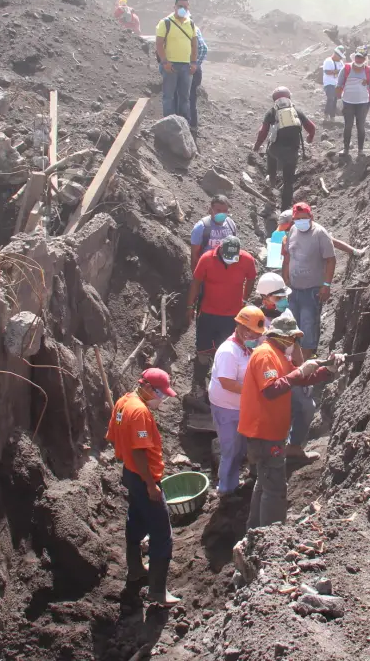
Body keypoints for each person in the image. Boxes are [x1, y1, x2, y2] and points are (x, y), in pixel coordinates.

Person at [237, 312, 341, 528]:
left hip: (269, 430)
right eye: (292, 339)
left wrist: (326, 371)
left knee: (264, 482)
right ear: (282, 337)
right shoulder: (266, 355)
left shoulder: (277, 354)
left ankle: (255, 529)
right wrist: (300, 371)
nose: (294, 343)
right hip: (263, 432)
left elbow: (297, 378)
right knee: (274, 488)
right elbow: (272, 390)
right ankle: (271, 536)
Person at [106, 367, 181, 606]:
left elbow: (114, 436)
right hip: (142, 476)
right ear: (147, 387)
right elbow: (139, 451)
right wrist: (151, 485)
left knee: (136, 518)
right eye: (161, 393)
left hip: (130, 472)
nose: (162, 398)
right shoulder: (138, 411)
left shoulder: (123, 402)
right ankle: (158, 591)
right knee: (162, 533)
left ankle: (136, 569)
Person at [282, 202, 337, 462]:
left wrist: (326, 284)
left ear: (311, 217)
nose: (300, 221)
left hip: (312, 291)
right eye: (297, 218)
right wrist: (285, 279)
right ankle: (296, 365)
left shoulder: (320, 234)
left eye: (304, 217)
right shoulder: (292, 232)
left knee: (308, 331)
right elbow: (287, 257)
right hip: (294, 291)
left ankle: (305, 371)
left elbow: (331, 259)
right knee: (293, 331)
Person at [186, 236, 257, 421]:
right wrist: (189, 306)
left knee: (226, 352)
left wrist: (244, 298)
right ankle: (199, 386)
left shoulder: (246, 260)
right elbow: (196, 282)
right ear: (220, 250)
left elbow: (251, 278)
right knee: (202, 350)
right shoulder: (207, 259)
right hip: (208, 314)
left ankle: (221, 385)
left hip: (232, 317)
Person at [209, 306, 266, 495]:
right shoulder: (228, 351)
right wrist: (254, 392)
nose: (254, 336)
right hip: (226, 408)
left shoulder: (246, 348)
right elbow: (227, 383)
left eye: (257, 333)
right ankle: (225, 489)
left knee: (240, 446)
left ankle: (236, 481)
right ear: (240, 326)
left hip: (241, 406)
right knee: (230, 449)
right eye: (251, 332)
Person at [253, 87, 316, 210]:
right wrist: (310, 138)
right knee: (288, 182)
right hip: (292, 153)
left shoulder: (271, 112)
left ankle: (271, 185)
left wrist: (257, 146)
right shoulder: (297, 111)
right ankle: (285, 209)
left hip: (275, 150)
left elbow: (263, 132)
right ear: (289, 97)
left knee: (270, 158)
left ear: (274, 99)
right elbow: (312, 128)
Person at [155, 0, 199, 122]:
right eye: (180, 6)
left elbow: (194, 44)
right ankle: (169, 124)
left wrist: (194, 63)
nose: (183, 9)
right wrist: (164, 62)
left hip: (186, 66)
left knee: (185, 97)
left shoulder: (190, 24)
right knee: (169, 96)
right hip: (170, 66)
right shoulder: (165, 23)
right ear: (174, 7)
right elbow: (158, 44)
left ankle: (184, 124)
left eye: (185, 7)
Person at [335, 47, 370, 158]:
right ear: (354, 56)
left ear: (365, 59)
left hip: (363, 103)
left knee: (361, 126)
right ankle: (346, 149)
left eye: (361, 58)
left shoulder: (368, 71)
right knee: (348, 126)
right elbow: (338, 85)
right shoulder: (346, 68)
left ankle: (360, 150)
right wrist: (339, 99)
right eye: (357, 57)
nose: (359, 60)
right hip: (348, 102)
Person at [189, 195, 237, 269]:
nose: (222, 214)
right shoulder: (201, 227)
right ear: (211, 210)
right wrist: (196, 278)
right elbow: (194, 256)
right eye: (218, 210)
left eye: (225, 211)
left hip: (226, 270)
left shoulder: (231, 224)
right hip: (207, 271)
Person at [189, 26, 208, 134]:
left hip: (191, 70)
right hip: (188, 68)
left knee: (190, 97)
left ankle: (191, 125)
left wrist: (194, 65)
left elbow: (203, 48)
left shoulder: (192, 28)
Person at [322, 46, 347, 122]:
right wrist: (338, 71)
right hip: (329, 84)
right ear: (336, 54)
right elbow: (327, 71)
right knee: (330, 98)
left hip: (337, 84)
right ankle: (326, 115)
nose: (341, 59)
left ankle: (332, 116)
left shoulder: (340, 62)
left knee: (335, 100)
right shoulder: (328, 61)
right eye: (340, 57)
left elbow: (344, 71)